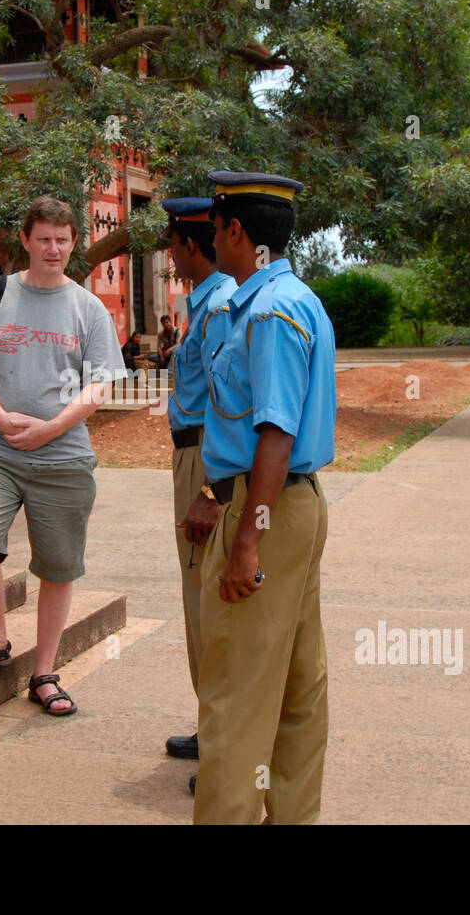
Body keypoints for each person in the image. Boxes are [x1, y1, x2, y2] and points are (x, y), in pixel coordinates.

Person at [180, 171, 336, 824]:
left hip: (267, 509)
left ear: (237, 231)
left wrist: (247, 536)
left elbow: (275, 430)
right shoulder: (289, 298)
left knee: (236, 699)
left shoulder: (269, 312)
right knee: (299, 687)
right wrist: (221, 497)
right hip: (289, 504)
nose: (211, 241)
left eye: (215, 230)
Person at [0, 196, 127, 714]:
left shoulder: (87, 307)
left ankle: (45, 671)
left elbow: (100, 387)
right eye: (43, 238)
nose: (53, 248)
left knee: (58, 566)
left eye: (63, 239)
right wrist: (0, 417)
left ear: (73, 244)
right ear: (25, 240)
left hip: (64, 457)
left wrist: (52, 427)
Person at [158, 196, 235, 777]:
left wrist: (209, 492)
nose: (168, 253)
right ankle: (216, 727)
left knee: (207, 605)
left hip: (204, 460)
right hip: (195, 457)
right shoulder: (202, 303)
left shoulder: (216, 308)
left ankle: (226, 746)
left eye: (173, 242)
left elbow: (223, 403)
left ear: (190, 245)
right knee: (199, 602)